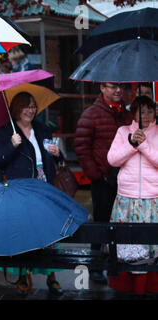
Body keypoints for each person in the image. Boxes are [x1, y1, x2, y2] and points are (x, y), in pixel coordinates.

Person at [0, 92, 63, 296]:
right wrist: (12, 146)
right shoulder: (5, 132)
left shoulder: (42, 129)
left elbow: (53, 157)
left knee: (48, 232)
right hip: (19, 189)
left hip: (43, 185)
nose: (30, 110)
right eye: (26, 106)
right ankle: (23, 273)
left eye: (32, 106)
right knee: (22, 232)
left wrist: (58, 155)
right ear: (16, 109)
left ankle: (51, 275)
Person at [74, 82, 133, 284]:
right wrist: (96, 175)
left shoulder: (127, 114)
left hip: (126, 178)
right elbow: (81, 146)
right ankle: (97, 266)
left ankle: (118, 265)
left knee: (122, 222)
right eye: (112, 86)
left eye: (121, 87)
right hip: (103, 179)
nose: (118, 90)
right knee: (101, 221)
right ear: (102, 87)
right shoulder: (91, 114)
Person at [106, 96, 158, 295]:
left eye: (149, 111)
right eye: (141, 111)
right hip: (126, 199)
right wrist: (131, 143)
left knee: (149, 250)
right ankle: (126, 288)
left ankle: (149, 288)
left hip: (152, 198)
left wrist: (144, 145)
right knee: (128, 248)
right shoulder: (123, 131)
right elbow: (112, 159)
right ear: (134, 113)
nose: (146, 115)